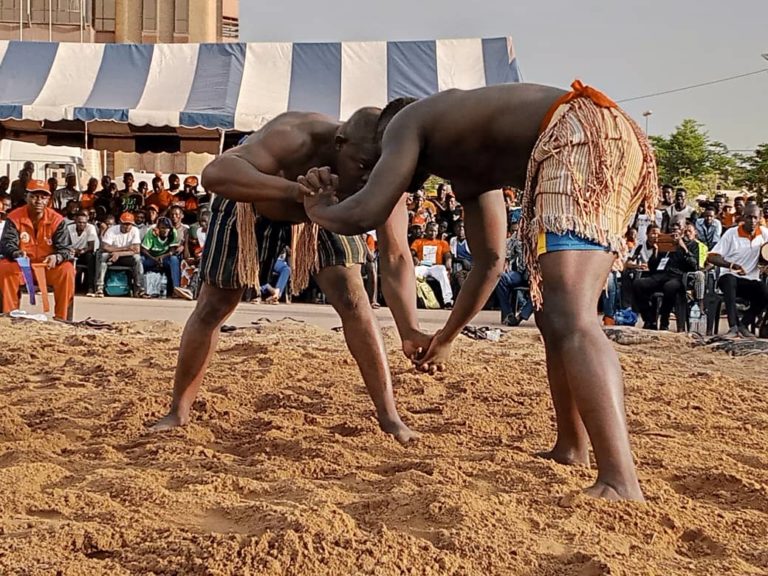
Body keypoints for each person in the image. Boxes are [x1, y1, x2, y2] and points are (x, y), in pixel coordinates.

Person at [300, 80, 658, 501]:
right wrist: (447, 337)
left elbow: (365, 212)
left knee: (572, 316)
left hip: (577, 132)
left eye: (377, 164)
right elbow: (490, 261)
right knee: (552, 313)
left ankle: (620, 479)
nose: (385, 173)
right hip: (603, 133)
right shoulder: (468, 155)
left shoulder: (405, 122)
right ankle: (572, 447)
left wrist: (318, 208)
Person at [150, 107, 419, 444]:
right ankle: (179, 410)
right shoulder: (295, 135)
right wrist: (294, 190)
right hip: (255, 201)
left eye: (375, 171)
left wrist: (410, 330)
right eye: (362, 166)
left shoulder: (386, 175)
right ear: (340, 143)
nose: (367, 178)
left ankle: (390, 417)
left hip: (328, 211)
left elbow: (395, 254)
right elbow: (215, 174)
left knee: (354, 298)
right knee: (213, 307)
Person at [0, 179, 75, 320]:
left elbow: (65, 248)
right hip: (22, 266)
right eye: (34, 196)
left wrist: (57, 257)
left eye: (43, 197)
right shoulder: (14, 217)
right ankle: (8, 316)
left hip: (47, 266)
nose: (38, 201)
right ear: (26, 197)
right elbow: (6, 244)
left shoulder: (57, 220)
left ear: (48, 199)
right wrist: (16, 253)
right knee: (4, 268)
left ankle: (62, 318)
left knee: (67, 270)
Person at [706, 203, 768, 338]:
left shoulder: (764, 233)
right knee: (729, 281)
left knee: (764, 292)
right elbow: (711, 257)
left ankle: (743, 325)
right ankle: (733, 326)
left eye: (755, 218)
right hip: (729, 276)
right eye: (749, 217)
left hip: (751, 279)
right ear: (742, 217)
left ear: (760, 218)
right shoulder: (731, 233)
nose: (752, 221)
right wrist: (732, 265)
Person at [632, 220, 698, 331]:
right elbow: (652, 267)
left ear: (682, 230)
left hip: (677, 277)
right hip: (660, 275)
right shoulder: (664, 244)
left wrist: (684, 248)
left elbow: (694, 266)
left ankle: (664, 320)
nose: (674, 232)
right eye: (672, 229)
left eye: (678, 229)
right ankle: (649, 319)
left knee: (670, 287)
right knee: (638, 283)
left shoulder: (692, 244)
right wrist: (656, 252)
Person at [95, 212, 144, 298]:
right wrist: (126, 248)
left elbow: (136, 250)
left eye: (130, 224)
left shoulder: (135, 230)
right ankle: (100, 288)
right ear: (120, 223)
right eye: (125, 224)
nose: (127, 226)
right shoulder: (112, 230)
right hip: (111, 256)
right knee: (102, 256)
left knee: (138, 259)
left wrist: (118, 253)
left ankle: (139, 289)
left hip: (125, 256)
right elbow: (105, 247)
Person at [495, 220, 533, 326]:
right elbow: (507, 249)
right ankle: (508, 314)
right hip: (521, 273)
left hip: (537, 276)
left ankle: (521, 316)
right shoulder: (518, 235)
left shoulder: (541, 234)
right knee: (501, 278)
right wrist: (505, 261)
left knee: (539, 289)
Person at [411, 221, 454, 308]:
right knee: (413, 273)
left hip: (436, 266)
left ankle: (448, 301)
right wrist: (414, 258)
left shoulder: (442, 243)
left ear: (437, 231)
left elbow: (447, 254)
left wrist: (448, 263)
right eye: (430, 230)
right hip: (422, 265)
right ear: (426, 231)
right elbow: (411, 252)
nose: (432, 233)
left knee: (443, 273)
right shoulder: (418, 241)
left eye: (435, 231)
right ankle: (412, 300)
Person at [140, 216, 186, 299]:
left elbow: (172, 251)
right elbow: (144, 250)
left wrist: (161, 257)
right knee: (140, 261)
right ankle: (140, 290)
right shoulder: (151, 233)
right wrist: (154, 259)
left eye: (167, 228)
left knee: (174, 259)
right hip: (151, 258)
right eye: (162, 228)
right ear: (158, 228)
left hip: (165, 258)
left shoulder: (173, 233)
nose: (165, 230)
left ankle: (176, 289)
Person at [68, 210, 100, 296]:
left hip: (85, 252)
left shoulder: (91, 228)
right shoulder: (69, 228)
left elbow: (91, 246)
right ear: (75, 221)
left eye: (84, 222)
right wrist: (72, 250)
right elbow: (65, 243)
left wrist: (80, 251)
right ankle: (68, 286)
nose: (82, 224)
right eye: (79, 222)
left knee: (90, 258)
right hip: (72, 251)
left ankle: (90, 287)